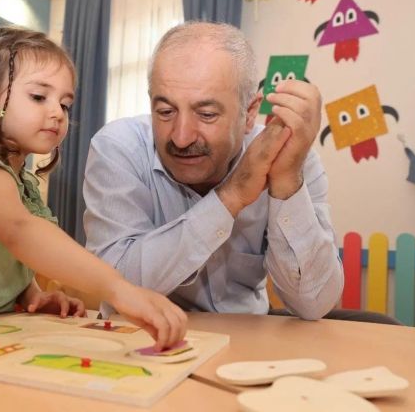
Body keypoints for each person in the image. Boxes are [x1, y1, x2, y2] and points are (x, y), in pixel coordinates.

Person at [0, 27, 187, 349]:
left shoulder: (22, 184)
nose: (57, 113)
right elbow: (20, 233)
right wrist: (118, 288)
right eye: (39, 97)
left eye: (65, 104)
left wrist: (31, 294)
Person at [84, 21, 396, 324]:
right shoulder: (119, 148)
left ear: (249, 114)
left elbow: (314, 303)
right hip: (146, 339)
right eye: (165, 112)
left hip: (250, 338)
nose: (181, 137)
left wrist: (286, 182)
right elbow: (113, 288)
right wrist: (231, 196)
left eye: (206, 114)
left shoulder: (291, 157)